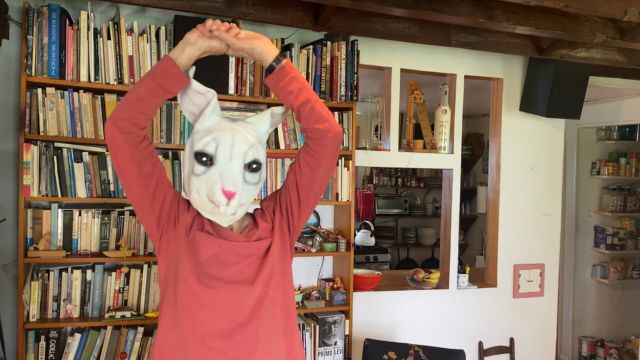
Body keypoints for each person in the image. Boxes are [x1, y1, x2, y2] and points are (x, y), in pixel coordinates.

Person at [105, 19, 343, 359]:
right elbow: (122, 130)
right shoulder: (174, 223)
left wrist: (267, 55)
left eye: (246, 165)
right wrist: (187, 51)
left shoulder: (279, 225)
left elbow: (327, 136)